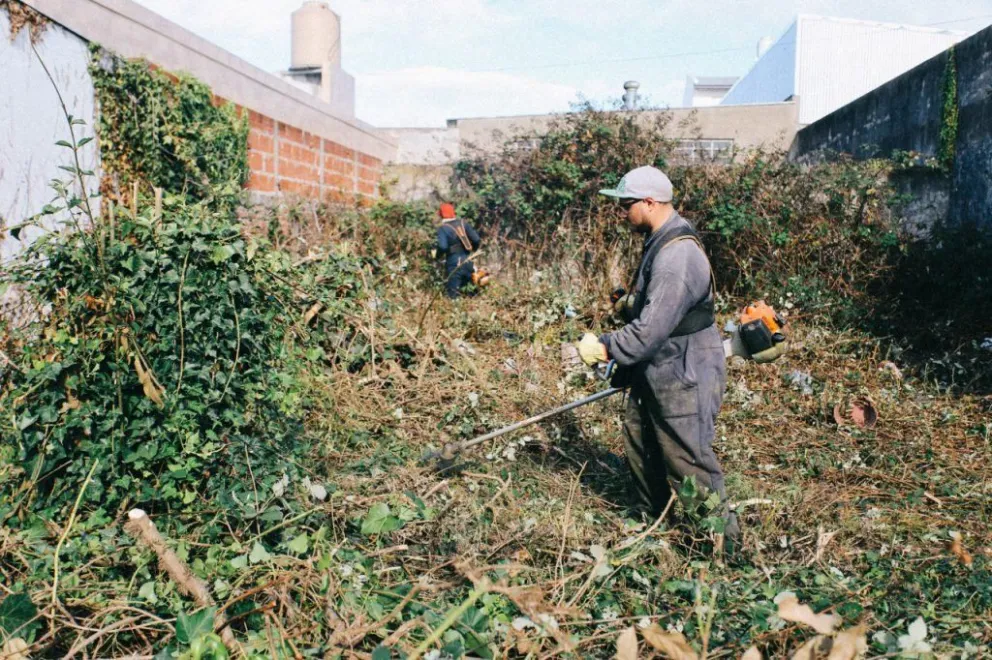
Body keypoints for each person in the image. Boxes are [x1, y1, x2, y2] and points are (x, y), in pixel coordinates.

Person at [576, 166, 740, 549]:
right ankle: (652, 527)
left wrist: (606, 347)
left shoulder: (676, 256)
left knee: (687, 460)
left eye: (626, 204)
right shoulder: (659, 239)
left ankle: (723, 548)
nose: (621, 212)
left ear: (649, 203)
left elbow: (649, 332)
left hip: (684, 369)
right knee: (641, 439)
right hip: (660, 364)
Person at [435, 203, 481, 299]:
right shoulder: (464, 223)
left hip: (454, 264)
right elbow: (476, 240)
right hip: (469, 261)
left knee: (453, 296)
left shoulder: (443, 228)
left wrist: (437, 257)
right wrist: (472, 252)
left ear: (441, 215)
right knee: (472, 295)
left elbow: (443, 247)